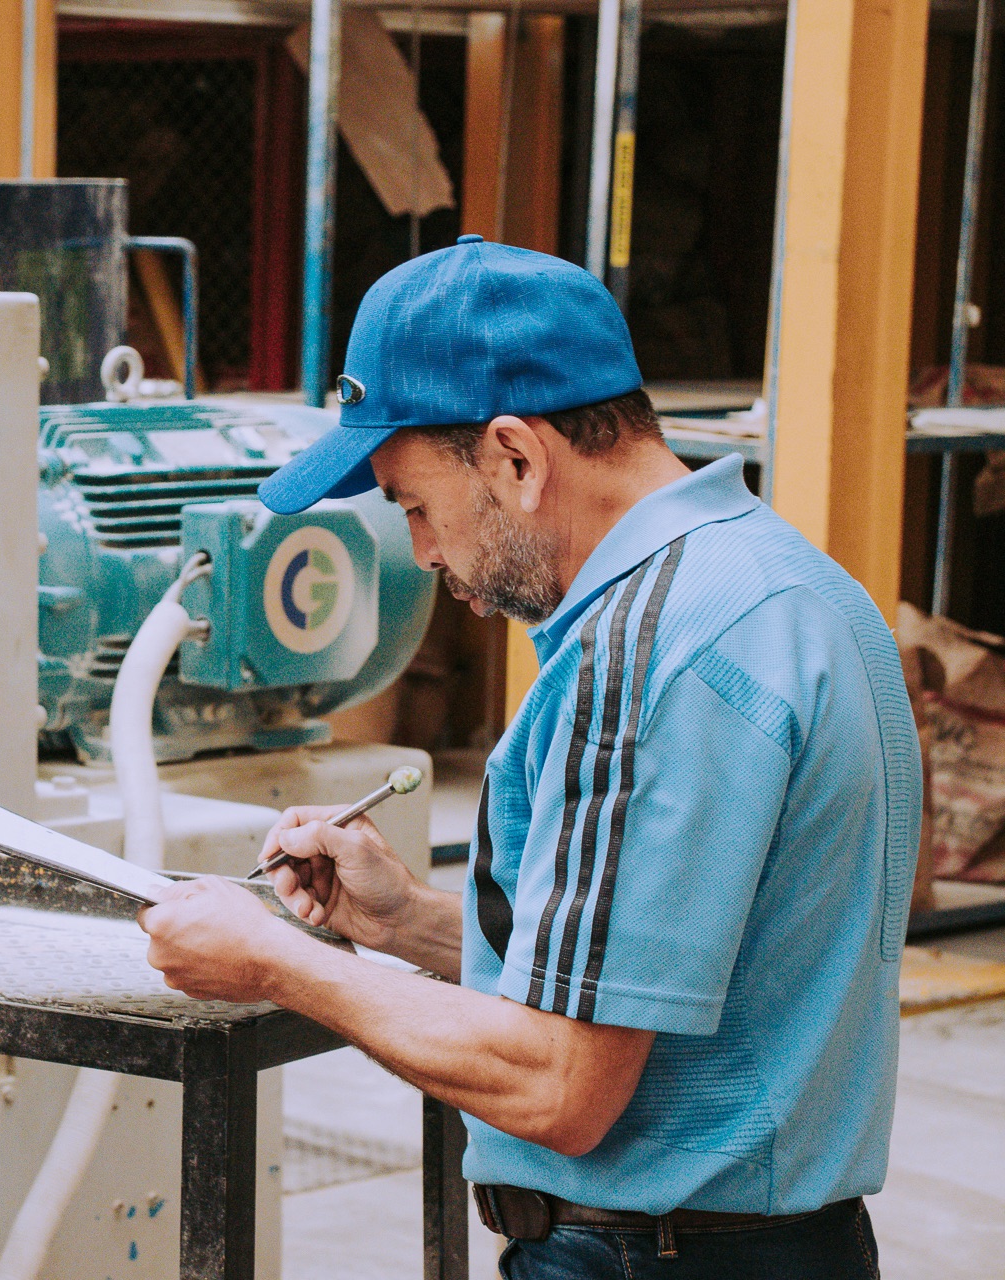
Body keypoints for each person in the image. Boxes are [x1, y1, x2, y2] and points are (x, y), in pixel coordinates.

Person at [137, 235, 920, 1279]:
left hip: (652, 1255)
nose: (420, 549)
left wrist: (273, 959)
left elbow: (563, 1085)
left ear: (515, 456)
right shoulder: (794, 587)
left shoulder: (646, 653)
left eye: (415, 504)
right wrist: (403, 918)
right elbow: (665, 976)